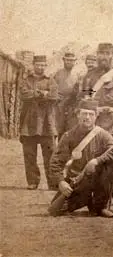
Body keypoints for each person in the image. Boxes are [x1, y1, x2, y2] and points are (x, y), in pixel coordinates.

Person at [49, 99, 113, 218]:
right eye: (84, 113)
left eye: (91, 114)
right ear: (78, 115)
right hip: (77, 181)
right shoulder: (68, 136)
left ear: (96, 116)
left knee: (110, 165)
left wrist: (97, 161)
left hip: (97, 179)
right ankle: (87, 200)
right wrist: (60, 181)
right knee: (54, 209)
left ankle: (100, 206)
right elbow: (55, 162)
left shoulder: (103, 135)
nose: (87, 117)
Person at [78, 43, 113, 207]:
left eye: (107, 53)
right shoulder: (90, 77)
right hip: (96, 123)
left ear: (112, 55)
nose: (104, 57)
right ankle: (96, 195)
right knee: (94, 158)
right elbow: (85, 101)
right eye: (101, 53)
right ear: (97, 54)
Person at [19, 55, 59, 190]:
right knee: (29, 154)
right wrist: (40, 93)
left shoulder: (50, 80)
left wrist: (43, 94)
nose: (40, 67)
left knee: (50, 154)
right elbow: (24, 95)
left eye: (43, 65)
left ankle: (52, 182)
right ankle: (32, 181)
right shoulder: (26, 80)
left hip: (47, 123)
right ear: (33, 65)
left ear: (46, 66)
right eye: (38, 64)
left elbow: (55, 96)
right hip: (29, 123)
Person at [53, 52, 80, 137]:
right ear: (63, 60)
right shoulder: (58, 73)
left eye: (71, 60)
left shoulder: (77, 75)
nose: (69, 62)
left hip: (72, 105)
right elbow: (52, 87)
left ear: (75, 61)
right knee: (59, 129)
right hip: (59, 104)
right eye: (67, 60)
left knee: (71, 130)